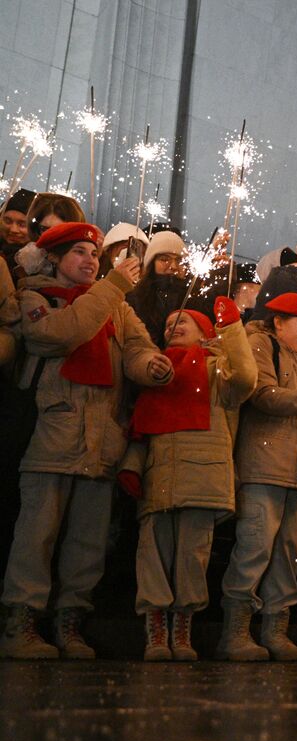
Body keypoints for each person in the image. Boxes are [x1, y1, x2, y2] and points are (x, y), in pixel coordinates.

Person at [0, 223, 171, 659]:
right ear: (55, 259)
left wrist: (152, 365)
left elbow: (136, 347)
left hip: (102, 440)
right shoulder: (36, 297)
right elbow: (59, 335)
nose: (91, 261)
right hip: (52, 437)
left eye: (94, 254)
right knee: (36, 537)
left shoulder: (114, 304)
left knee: (87, 543)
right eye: (79, 252)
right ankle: (21, 624)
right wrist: (113, 285)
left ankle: (70, 623)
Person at [119, 298, 254, 660]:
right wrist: (132, 465)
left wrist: (232, 329)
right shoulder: (156, 372)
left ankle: (182, 628)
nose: (172, 326)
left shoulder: (216, 371)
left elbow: (245, 377)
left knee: (193, 557)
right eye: (167, 324)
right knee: (153, 555)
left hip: (202, 478)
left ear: (205, 333)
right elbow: (141, 428)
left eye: (184, 321)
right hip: (158, 477)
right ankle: (156, 629)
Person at [218, 292, 297, 661]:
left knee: (288, 556)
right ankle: (236, 632)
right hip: (264, 468)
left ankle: (276, 630)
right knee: (254, 548)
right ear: (279, 322)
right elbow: (263, 396)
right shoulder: (260, 345)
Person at [126, 230, 190, 343]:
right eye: (165, 259)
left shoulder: (192, 296)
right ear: (152, 264)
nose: (173, 266)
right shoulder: (135, 297)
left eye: (179, 260)